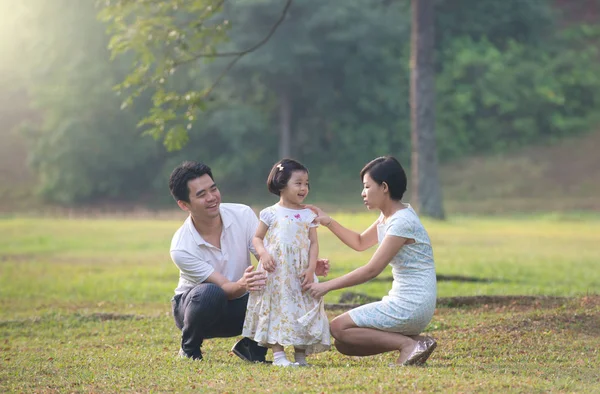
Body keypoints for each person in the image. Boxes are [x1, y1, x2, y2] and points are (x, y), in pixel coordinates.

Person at [168, 160, 329, 362]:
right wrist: (243, 284)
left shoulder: (242, 214)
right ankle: (189, 349)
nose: (212, 198)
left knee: (274, 289)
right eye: (201, 194)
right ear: (184, 204)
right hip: (196, 310)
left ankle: (251, 348)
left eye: (213, 189)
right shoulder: (182, 246)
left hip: (240, 301)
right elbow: (225, 287)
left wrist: (306, 265)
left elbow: (269, 255)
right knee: (210, 293)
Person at [304, 156, 438, 366]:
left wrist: (327, 286)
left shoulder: (401, 222)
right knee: (345, 344)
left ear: (384, 187)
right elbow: (359, 242)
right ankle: (415, 342)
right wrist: (328, 221)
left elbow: (371, 270)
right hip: (409, 302)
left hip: (412, 305)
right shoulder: (390, 217)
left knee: (338, 328)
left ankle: (408, 346)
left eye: (367, 187)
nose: (363, 193)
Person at [242, 159, 331, 367]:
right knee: (278, 309)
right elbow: (256, 238)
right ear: (282, 184)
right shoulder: (269, 213)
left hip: (300, 272)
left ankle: (301, 356)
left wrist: (311, 268)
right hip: (276, 272)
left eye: (306, 183)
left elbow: (313, 244)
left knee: (303, 308)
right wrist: (263, 254)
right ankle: (279, 356)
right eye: (298, 183)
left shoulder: (308, 215)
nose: (304, 188)